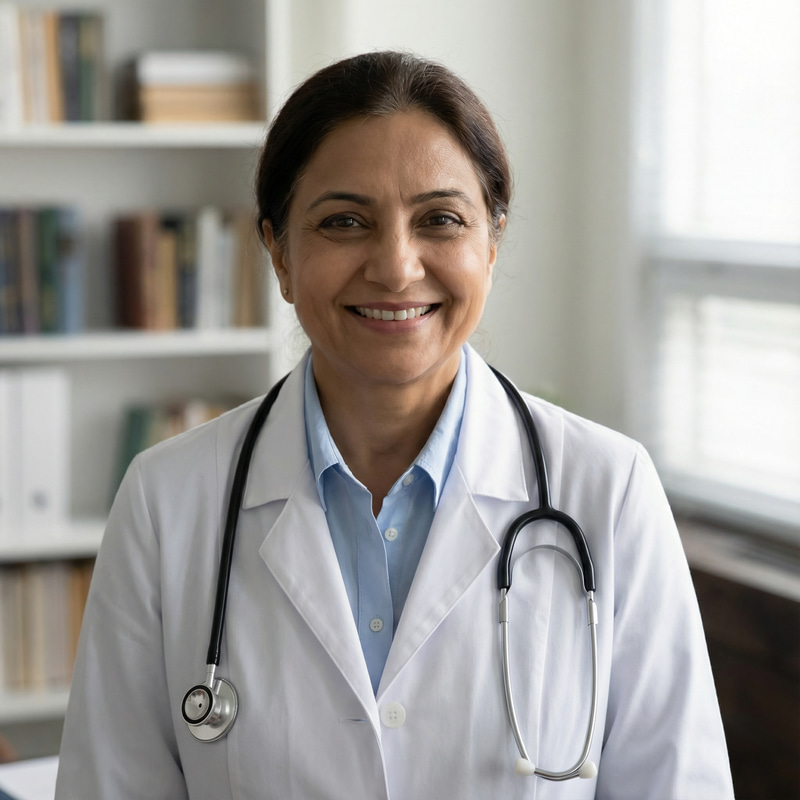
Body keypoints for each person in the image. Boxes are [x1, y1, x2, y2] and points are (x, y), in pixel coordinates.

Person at [55, 51, 734, 799]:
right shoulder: (167, 502)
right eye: (345, 221)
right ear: (278, 253)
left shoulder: (609, 491)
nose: (396, 267)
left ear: (491, 241)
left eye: (440, 219)